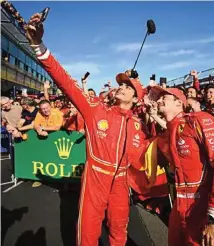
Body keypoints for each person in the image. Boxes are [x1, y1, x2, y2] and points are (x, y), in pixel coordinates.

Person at [25, 13, 149, 246]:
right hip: (96, 177)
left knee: (119, 229)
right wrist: (38, 45)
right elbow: (66, 82)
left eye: (128, 86)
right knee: (88, 231)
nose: (122, 87)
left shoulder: (138, 124)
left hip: (121, 182)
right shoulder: (96, 110)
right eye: (121, 84)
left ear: (136, 98)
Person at [150, 86, 214, 246]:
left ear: (179, 103)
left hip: (202, 206)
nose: (159, 100)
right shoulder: (168, 132)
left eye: (165, 97)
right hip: (179, 205)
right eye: (158, 97)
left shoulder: (198, 120)